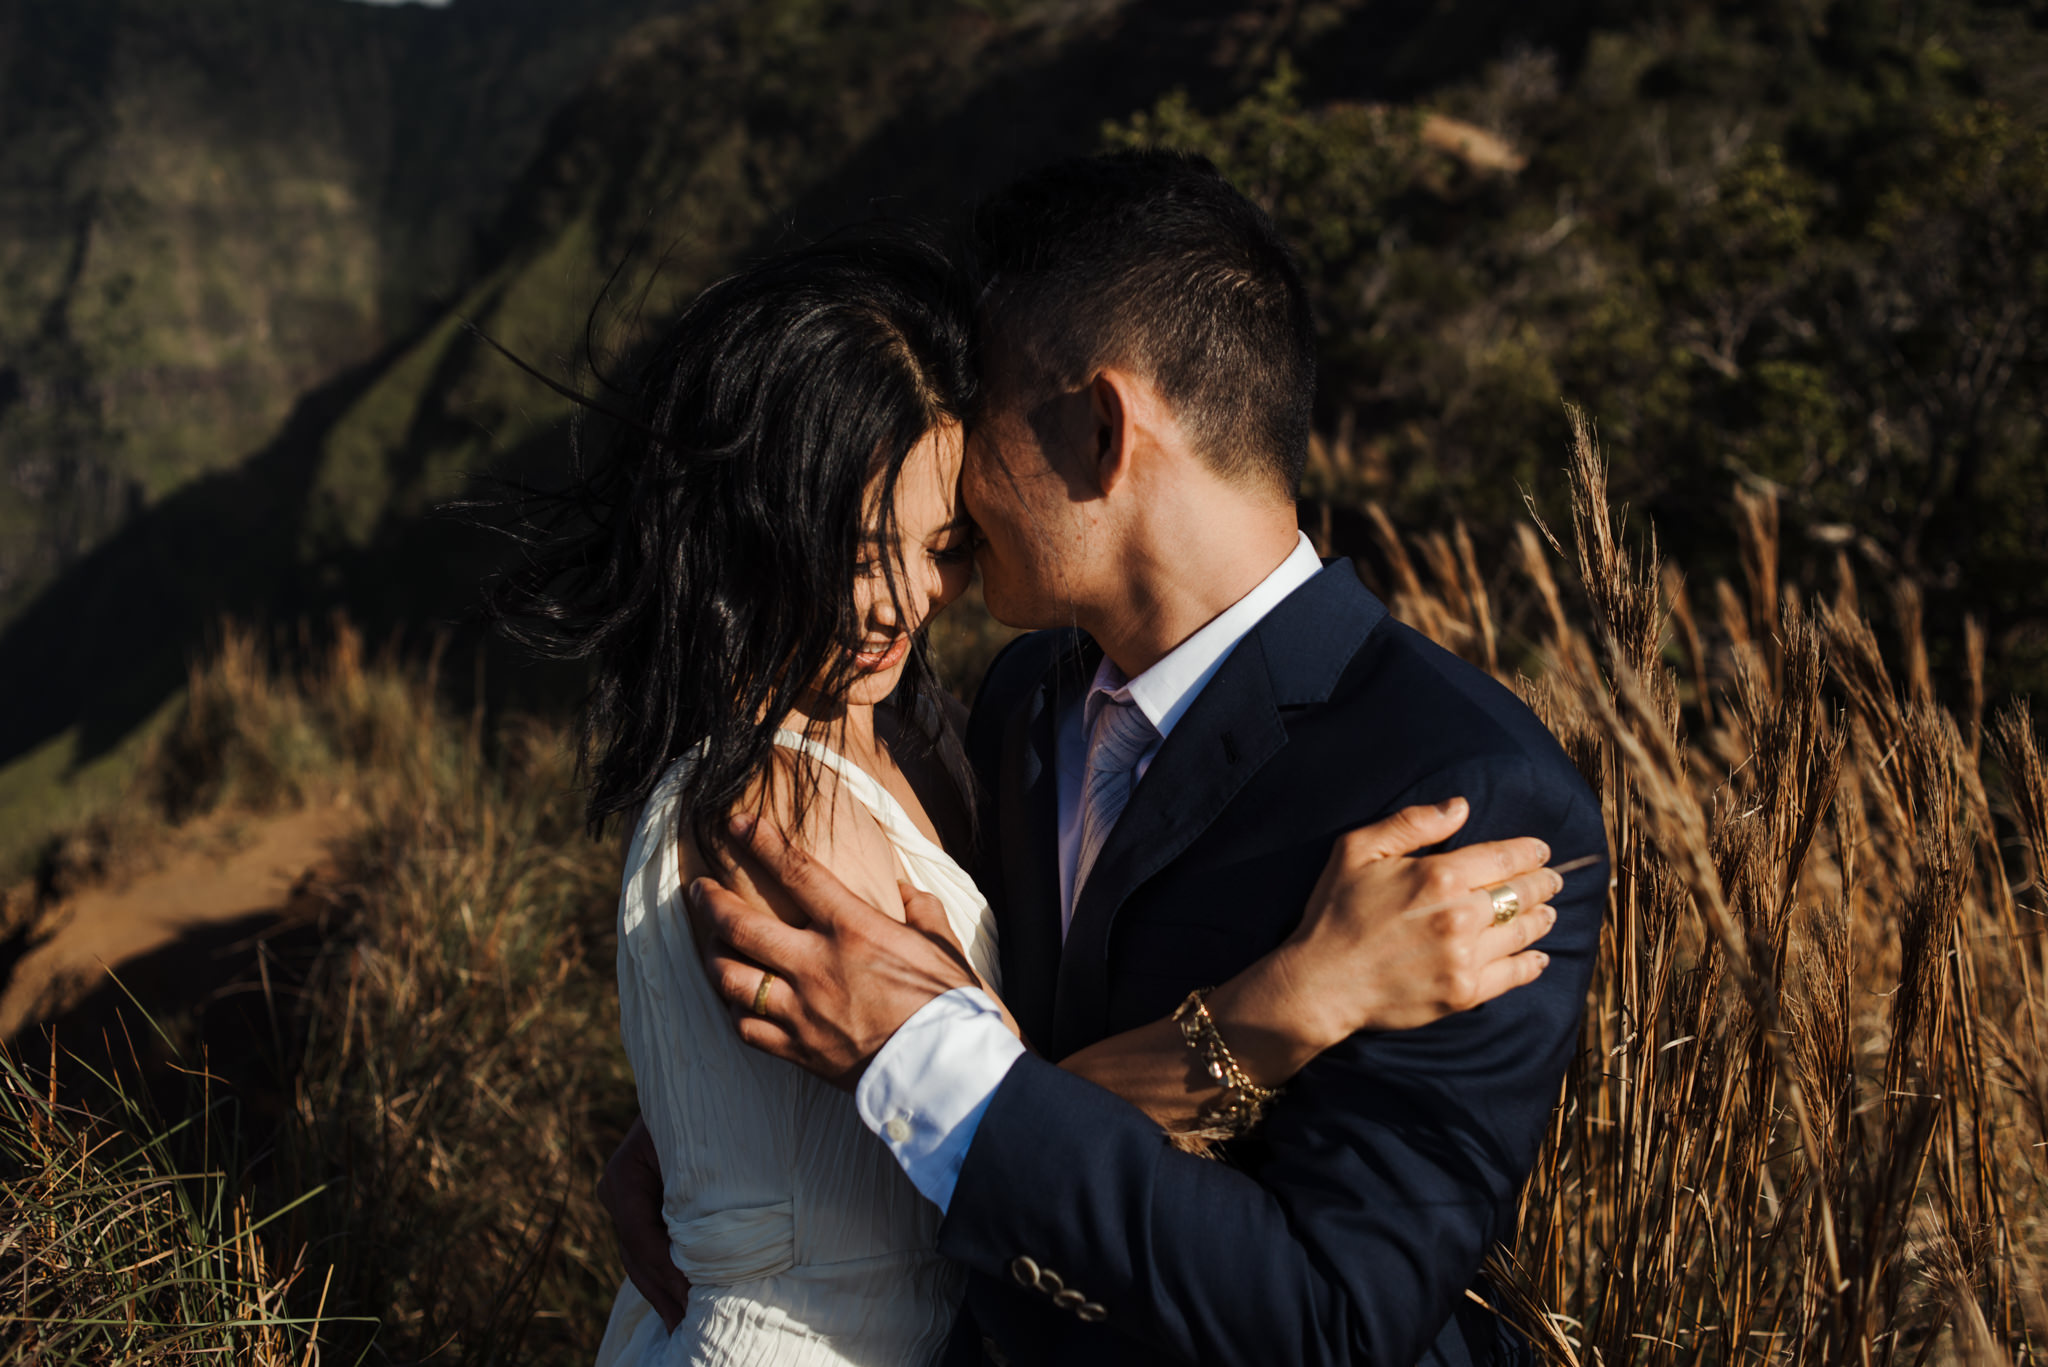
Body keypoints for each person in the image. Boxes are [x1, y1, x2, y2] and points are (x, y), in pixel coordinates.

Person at [506, 219, 1566, 1367]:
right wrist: (1285, 1004)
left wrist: (774, 1115)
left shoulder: (1460, 786)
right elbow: (952, 1093)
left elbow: (1327, 1316)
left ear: (1099, 430)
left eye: (942, 535)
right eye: (863, 548)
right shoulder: (1009, 705)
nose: (907, 599)